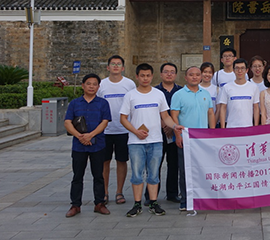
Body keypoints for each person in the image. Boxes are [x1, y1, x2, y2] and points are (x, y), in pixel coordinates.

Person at [120, 63, 184, 217]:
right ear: (137, 77)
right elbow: (123, 118)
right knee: (137, 174)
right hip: (136, 142)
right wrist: (136, 132)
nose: (145, 78)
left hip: (155, 141)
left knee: (153, 174)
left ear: (152, 76)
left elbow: (165, 116)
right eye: (142, 75)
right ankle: (137, 204)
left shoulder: (158, 94)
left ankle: (154, 203)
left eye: (148, 75)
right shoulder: (130, 95)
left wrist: (175, 126)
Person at [64, 73, 112, 218]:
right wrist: (80, 136)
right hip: (79, 146)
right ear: (83, 85)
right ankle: (75, 205)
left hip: (98, 145)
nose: (92, 86)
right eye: (89, 84)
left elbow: (104, 122)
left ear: (98, 87)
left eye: (95, 84)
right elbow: (67, 122)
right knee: (77, 176)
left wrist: (90, 135)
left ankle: (99, 203)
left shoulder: (103, 103)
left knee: (98, 175)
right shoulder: (74, 103)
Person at [170, 66, 216, 213]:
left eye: (197, 75)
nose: (194, 77)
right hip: (186, 138)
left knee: (204, 169)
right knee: (185, 170)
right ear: (186, 77)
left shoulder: (206, 94)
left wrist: (212, 133)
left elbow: (210, 113)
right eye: (191, 75)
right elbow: (174, 116)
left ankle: (203, 197)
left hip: (203, 139)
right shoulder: (178, 95)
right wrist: (178, 135)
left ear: (201, 77)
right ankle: (185, 200)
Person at [97, 55, 136, 205]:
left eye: (118, 64)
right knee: (104, 161)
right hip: (105, 130)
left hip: (123, 130)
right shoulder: (102, 84)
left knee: (121, 161)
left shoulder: (129, 84)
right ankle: (105, 192)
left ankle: (119, 191)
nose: (115, 66)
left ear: (123, 68)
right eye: (113, 64)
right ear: (108, 67)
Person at [147, 63, 182, 205]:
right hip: (157, 132)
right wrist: (164, 123)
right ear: (161, 74)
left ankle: (172, 193)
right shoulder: (153, 91)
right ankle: (150, 195)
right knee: (154, 164)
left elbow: (181, 111)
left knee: (174, 164)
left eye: (172, 72)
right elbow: (151, 111)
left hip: (175, 132)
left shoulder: (181, 91)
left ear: (176, 74)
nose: (169, 74)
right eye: (166, 72)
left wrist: (173, 126)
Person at [218, 58, 260, 128]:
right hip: (231, 127)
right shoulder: (227, 87)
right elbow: (223, 108)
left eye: (242, 68)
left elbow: (256, 108)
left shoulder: (253, 87)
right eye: (237, 68)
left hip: (248, 127)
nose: (239, 71)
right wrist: (223, 128)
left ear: (247, 70)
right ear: (233, 70)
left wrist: (255, 127)